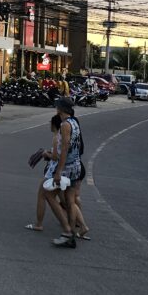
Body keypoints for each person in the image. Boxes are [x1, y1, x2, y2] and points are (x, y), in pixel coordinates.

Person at [50, 97, 85, 248]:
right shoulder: (75, 122)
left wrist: (59, 171)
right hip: (76, 165)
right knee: (70, 201)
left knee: (49, 195)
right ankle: (70, 234)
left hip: (68, 167)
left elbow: (65, 149)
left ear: (61, 109)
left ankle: (67, 231)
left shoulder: (65, 125)